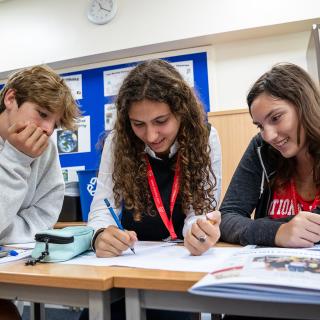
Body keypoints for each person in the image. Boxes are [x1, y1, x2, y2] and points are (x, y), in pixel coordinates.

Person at [84, 59, 222, 320]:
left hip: (180, 263)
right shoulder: (118, 142)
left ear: (180, 111)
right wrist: (101, 234)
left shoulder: (205, 137)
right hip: (129, 261)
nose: (151, 136)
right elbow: (102, 207)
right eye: (139, 124)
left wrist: (199, 231)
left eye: (161, 121)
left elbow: (201, 210)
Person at [0, 65, 80, 319]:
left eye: (54, 124)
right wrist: (16, 158)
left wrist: (4, 233)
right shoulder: (27, 147)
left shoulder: (45, 148)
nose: (47, 129)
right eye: (42, 114)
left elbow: (45, 214)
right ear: (10, 98)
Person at [220, 63, 320, 248]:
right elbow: (227, 216)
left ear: (304, 105)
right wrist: (277, 233)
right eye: (260, 126)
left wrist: (258, 229)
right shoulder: (261, 147)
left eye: (276, 118)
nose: (268, 136)